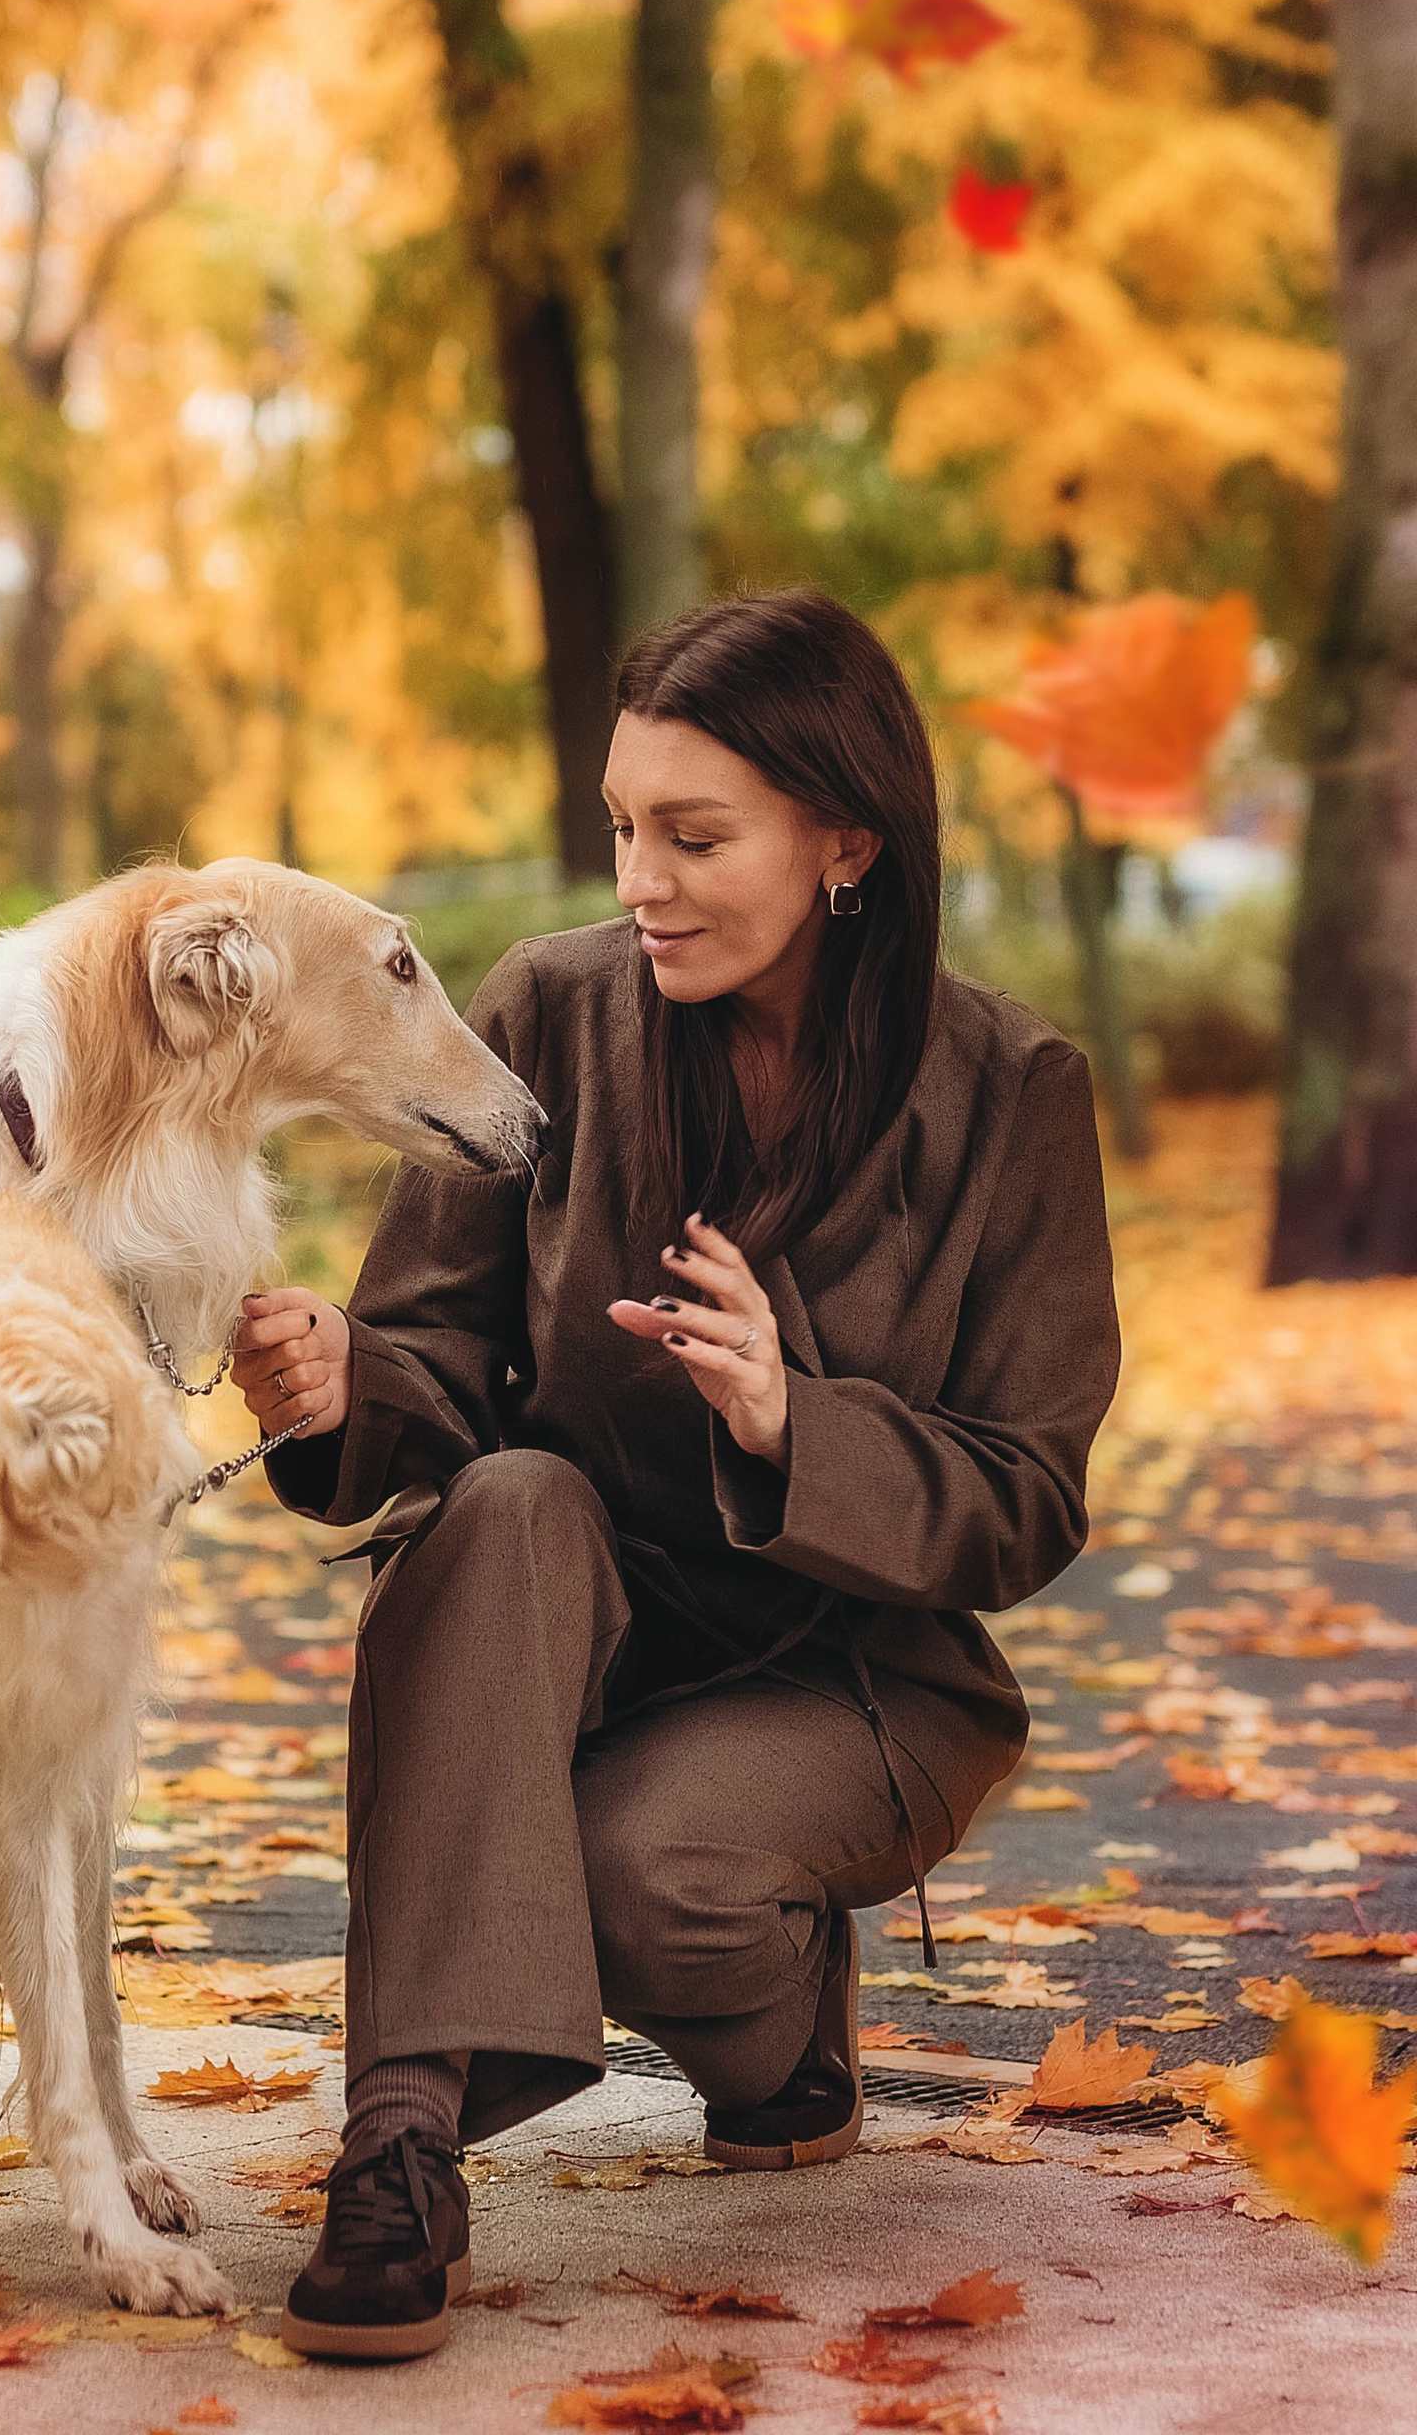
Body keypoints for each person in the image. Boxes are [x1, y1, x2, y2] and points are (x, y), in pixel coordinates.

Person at [231, 588, 1120, 2362]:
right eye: (626, 826)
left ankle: (789, 2031)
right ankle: (399, 2144)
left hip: (857, 1671)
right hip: (572, 1615)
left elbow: (1028, 1494)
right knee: (501, 1501)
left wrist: (804, 1425)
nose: (642, 877)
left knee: (646, 1883)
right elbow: (442, 1364)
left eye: (696, 837)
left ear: (845, 839)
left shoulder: (1012, 1087)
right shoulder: (552, 1012)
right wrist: (341, 1383)